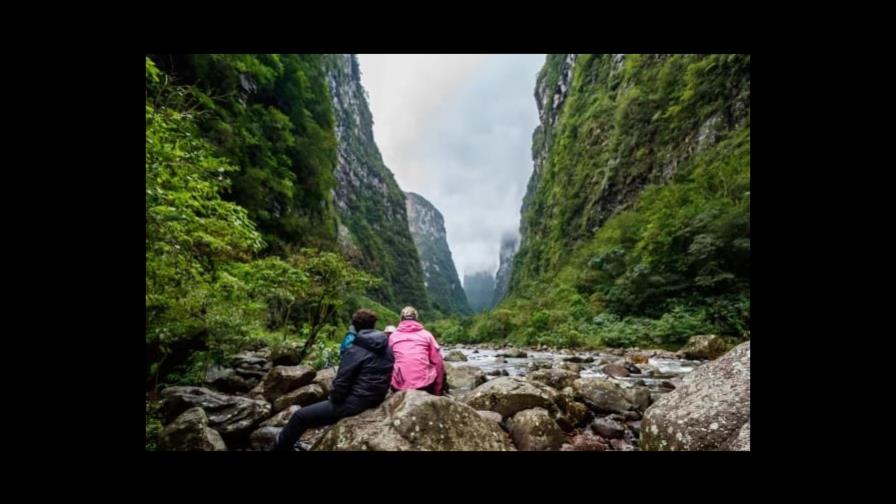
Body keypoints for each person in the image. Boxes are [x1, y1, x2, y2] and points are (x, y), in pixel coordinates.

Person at [271, 309, 394, 451]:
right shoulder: (387, 347)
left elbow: (341, 383)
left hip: (356, 403)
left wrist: (333, 399)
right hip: (376, 398)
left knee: (299, 416)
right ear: (373, 325)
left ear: (354, 327)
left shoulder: (355, 349)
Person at [388, 306, 445, 395]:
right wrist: (438, 391)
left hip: (398, 386)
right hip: (424, 386)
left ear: (401, 319)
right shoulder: (427, 335)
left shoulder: (392, 336)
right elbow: (438, 363)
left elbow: (387, 361)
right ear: (417, 319)